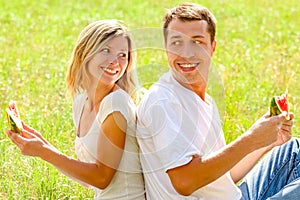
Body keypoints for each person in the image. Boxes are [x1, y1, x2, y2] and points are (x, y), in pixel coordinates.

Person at [136, 3, 300, 199]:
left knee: (294, 150)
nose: (186, 53)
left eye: (197, 42)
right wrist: (251, 139)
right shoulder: (163, 101)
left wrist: (266, 141)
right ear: (166, 48)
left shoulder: (206, 102)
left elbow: (222, 176)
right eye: (177, 43)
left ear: (212, 47)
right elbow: (185, 182)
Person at [6, 20, 145, 199]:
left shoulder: (116, 104)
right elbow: (88, 180)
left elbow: (102, 177)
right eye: (106, 50)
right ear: (86, 53)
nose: (114, 62)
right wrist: (41, 143)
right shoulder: (81, 102)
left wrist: (43, 151)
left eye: (122, 55)